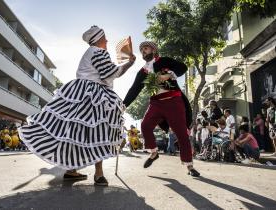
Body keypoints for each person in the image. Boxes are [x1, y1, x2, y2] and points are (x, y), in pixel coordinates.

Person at [18, 26, 136, 186]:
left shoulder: (89, 53)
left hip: (79, 93)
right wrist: (130, 63)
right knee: (99, 131)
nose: (107, 41)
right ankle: (98, 174)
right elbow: (110, 73)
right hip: (93, 94)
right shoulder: (99, 52)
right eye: (105, 38)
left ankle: (71, 170)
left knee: (74, 133)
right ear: (98, 39)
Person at [123, 41, 199, 177]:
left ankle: (189, 166)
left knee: (182, 133)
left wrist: (168, 75)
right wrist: (123, 105)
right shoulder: (143, 72)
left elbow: (183, 67)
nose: (143, 51)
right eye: (141, 50)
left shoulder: (164, 61)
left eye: (145, 48)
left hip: (174, 101)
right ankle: (154, 153)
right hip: (156, 104)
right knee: (145, 125)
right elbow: (134, 90)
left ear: (153, 50)